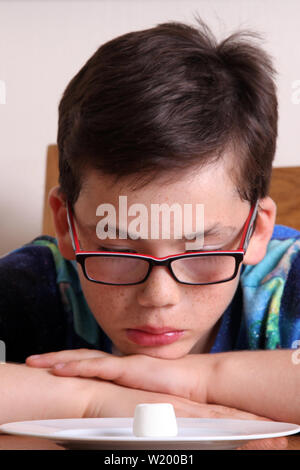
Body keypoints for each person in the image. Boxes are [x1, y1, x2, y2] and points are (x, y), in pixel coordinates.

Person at [0, 17, 299, 450]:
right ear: (67, 224)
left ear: (256, 232)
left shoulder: (286, 281)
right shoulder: (38, 285)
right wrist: (92, 399)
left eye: (201, 251)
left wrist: (194, 380)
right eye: (117, 251)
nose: (159, 296)